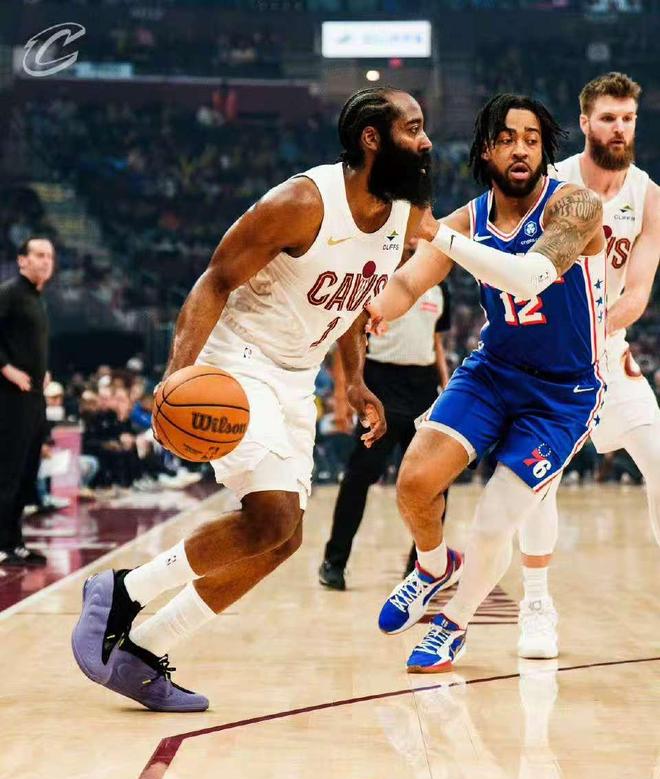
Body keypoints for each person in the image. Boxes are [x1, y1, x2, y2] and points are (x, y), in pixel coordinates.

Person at [71, 86, 456, 711]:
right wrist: (176, 376)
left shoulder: (403, 215)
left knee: (283, 539)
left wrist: (353, 380)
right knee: (272, 516)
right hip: (239, 362)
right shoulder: (303, 202)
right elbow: (215, 280)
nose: (426, 141)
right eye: (413, 128)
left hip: (297, 378)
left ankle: (143, 648)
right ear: (372, 138)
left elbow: (352, 302)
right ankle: (121, 590)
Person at [366, 93, 606, 672]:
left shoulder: (576, 206)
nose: (520, 149)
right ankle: (432, 565)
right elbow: (408, 284)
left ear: (545, 151)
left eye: (531, 139)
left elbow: (528, 279)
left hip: (563, 394)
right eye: (506, 139)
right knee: (414, 481)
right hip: (494, 371)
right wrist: (372, 309)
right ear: (485, 152)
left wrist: (438, 236)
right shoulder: (468, 219)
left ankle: (453, 624)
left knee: (494, 522)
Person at [516, 72, 660, 659]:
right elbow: (527, 277)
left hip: (608, 351)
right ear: (584, 123)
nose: (619, 128)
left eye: (627, 119)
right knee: (537, 484)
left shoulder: (648, 195)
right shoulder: (551, 186)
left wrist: (597, 336)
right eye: (608, 118)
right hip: (548, 358)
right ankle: (535, 605)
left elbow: (638, 292)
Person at [318, 278, 456, 591]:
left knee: (434, 481)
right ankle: (334, 562)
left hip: (424, 388)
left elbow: (436, 342)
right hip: (380, 383)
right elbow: (349, 338)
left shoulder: (440, 286)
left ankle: (423, 569)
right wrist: (342, 396)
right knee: (358, 477)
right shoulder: (379, 281)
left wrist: (448, 388)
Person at [0, 238, 55, 567]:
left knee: (26, 472)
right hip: (10, 399)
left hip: (34, 399)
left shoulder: (37, 299)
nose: (46, 261)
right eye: (39, 255)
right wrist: (6, 368)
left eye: (49, 256)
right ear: (22, 260)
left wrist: (43, 371)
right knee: (7, 472)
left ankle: (14, 542)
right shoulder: (9, 293)